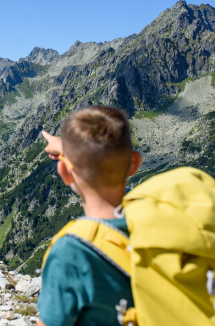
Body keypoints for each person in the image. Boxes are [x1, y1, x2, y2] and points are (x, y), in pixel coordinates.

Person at [37, 106, 143, 326]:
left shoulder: (72, 252)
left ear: (64, 173)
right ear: (134, 163)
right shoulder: (159, 217)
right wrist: (69, 150)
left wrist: (70, 154)